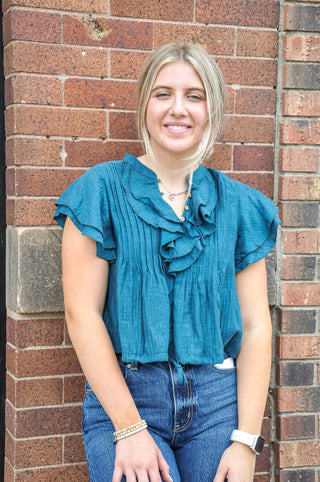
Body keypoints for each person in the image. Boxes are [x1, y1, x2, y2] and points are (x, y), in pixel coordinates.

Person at [54, 42, 280, 481]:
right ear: (145, 105)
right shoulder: (99, 191)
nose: (178, 109)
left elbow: (255, 327)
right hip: (128, 396)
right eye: (163, 94)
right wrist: (129, 426)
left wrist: (246, 439)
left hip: (218, 402)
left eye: (194, 96)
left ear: (211, 109)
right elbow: (81, 314)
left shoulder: (237, 206)